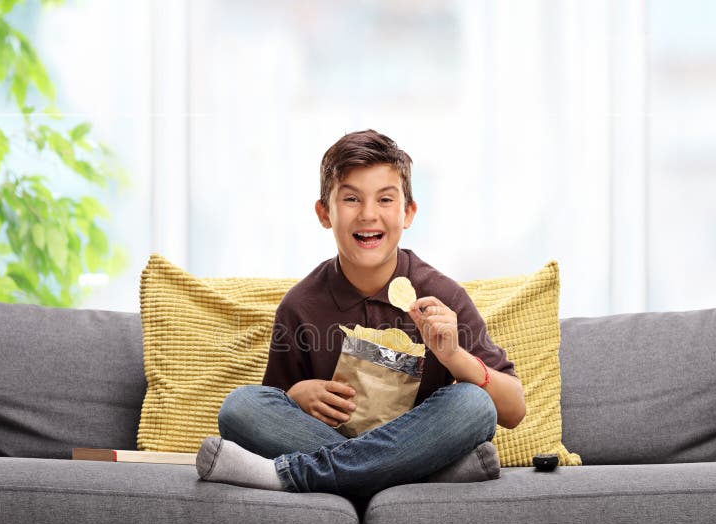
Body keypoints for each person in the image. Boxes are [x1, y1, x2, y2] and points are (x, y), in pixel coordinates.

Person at [196, 129, 525, 497]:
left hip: (414, 435)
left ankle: (293, 475)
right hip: (342, 440)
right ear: (325, 213)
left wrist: (453, 356)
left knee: (473, 405)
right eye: (351, 199)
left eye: (385, 199)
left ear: (408, 212)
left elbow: (512, 410)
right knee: (239, 407)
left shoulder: (441, 296)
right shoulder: (300, 306)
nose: (369, 214)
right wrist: (297, 395)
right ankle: (420, 474)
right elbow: (270, 412)